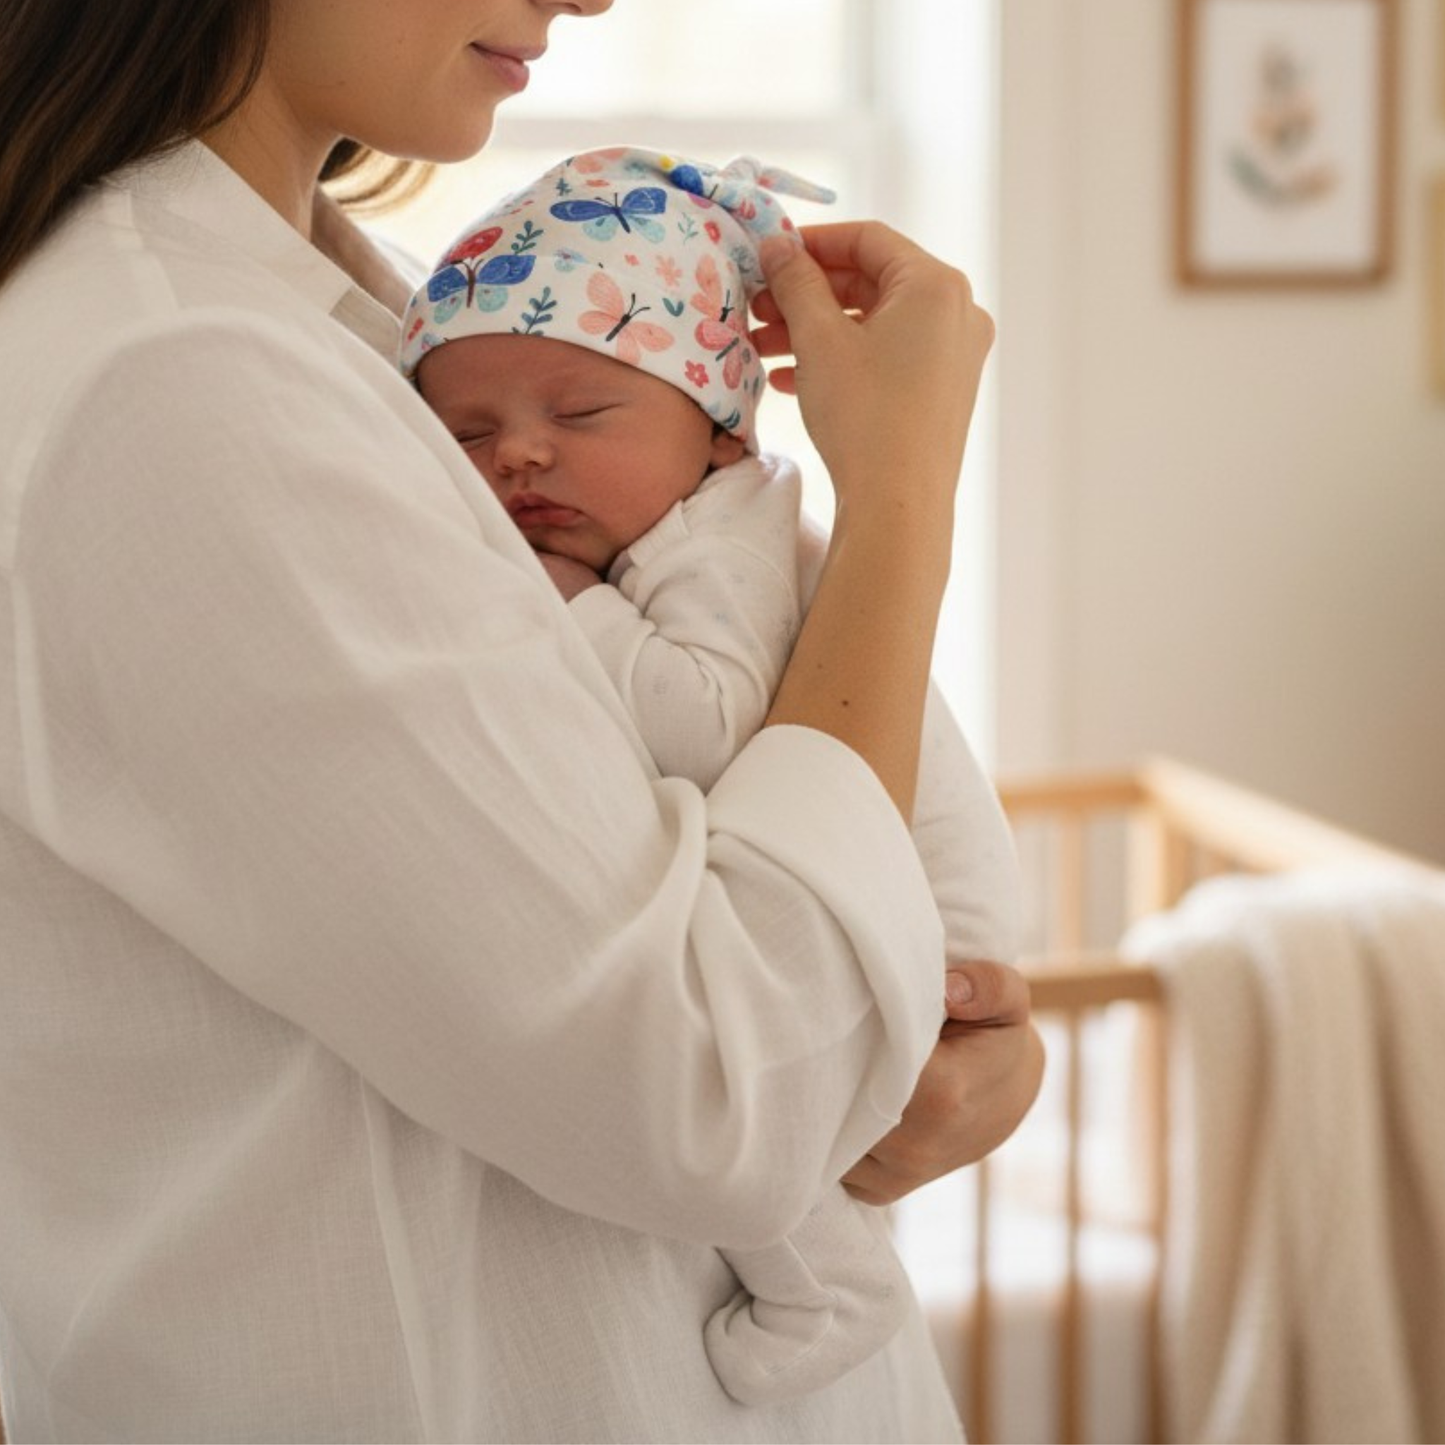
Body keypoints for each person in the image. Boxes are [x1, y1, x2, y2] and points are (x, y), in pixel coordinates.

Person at [0, 0, 1044, 1439]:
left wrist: (924, 1039)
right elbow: (714, 1097)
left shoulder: (375, 340)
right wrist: (904, 496)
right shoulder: (183, 383)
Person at [400, 145, 1026, 1407]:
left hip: (913, 919)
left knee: (765, 1081)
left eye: (579, 415)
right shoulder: (663, 521)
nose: (518, 454)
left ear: (718, 427)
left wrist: (570, 608)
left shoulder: (726, 537)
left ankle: (835, 1279)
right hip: (853, 894)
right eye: (466, 430)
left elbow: (709, 719)